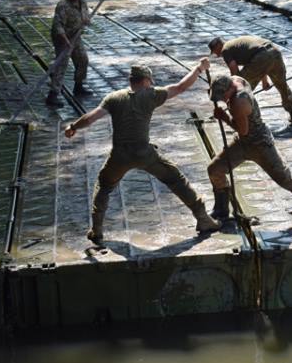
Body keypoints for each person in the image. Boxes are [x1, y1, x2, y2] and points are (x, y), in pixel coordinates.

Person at [64, 61, 221, 243]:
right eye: (150, 81)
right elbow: (180, 87)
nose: (152, 83)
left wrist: (73, 126)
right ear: (146, 80)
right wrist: (199, 69)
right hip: (145, 154)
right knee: (175, 180)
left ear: (131, 80)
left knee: (104, 187)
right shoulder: (151, 95)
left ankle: (96, 230)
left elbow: (90, 118)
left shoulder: (113, 98)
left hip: (119, 156)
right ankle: (203, 219)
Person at [206, 74, 292, 226]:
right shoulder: (236, 79)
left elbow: (243, 130)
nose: (222, 100)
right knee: (215, 169)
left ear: (229, 89)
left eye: (223, 96)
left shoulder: (239, 102)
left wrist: (225, 117)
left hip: (259, 144)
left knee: (283, 178)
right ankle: (221, 210)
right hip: (242, 143)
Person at [208, 35, 292, 126]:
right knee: (282, 85)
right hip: (274, 51)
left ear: (218, 46)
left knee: (241, 89)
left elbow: (234, 71)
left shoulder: (225, 50)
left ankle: (244, 120)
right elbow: (259, 57)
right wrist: (264, 81)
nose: (216, 55)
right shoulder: (236, 43)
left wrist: (234, 89)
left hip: (262, 56)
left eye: (214, 51)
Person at [47, 0, 91, 106]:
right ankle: (53, 95)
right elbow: (57, 26)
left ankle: (78, 86)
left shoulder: (82, 1)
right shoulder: (62, 6)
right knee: (61, 64)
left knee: (83, 59)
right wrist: (66, 41)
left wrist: (86, 19)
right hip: (62, 38)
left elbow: (85, 15)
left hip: (75, 36)